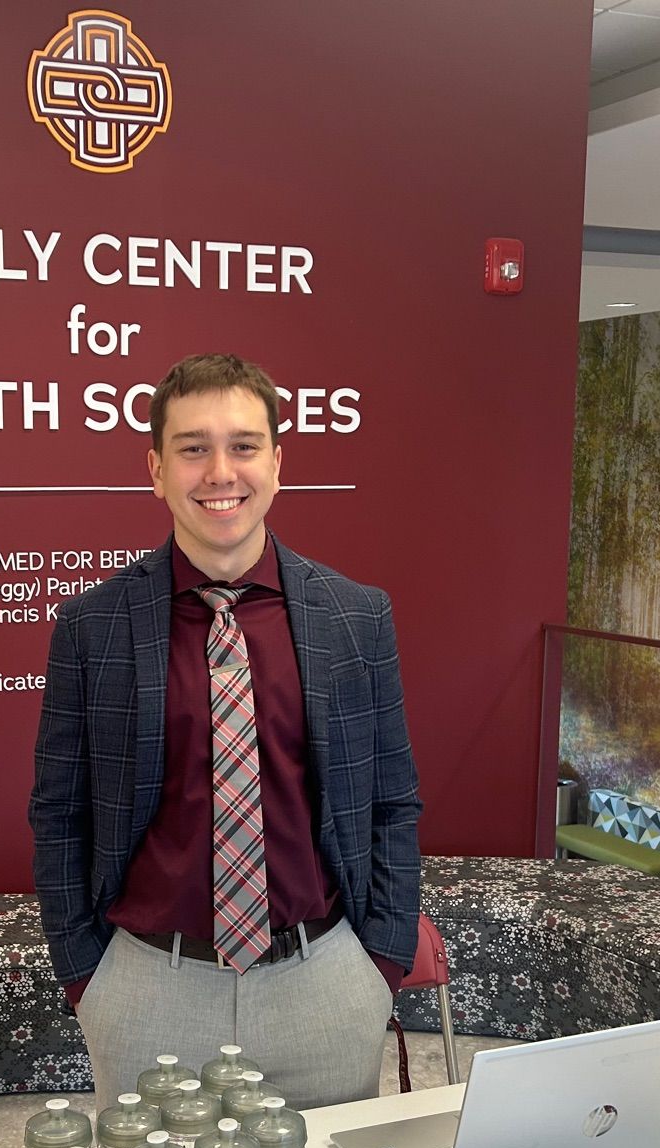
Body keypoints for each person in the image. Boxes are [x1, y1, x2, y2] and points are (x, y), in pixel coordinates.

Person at [30, 353, 422, 1108]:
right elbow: (59, 813)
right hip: (150, 993)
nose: (221, 471)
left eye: (243, 446)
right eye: (193, 448)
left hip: (323, 986)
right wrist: (87, 975)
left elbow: (393, 802)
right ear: (155, 469)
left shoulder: (356, 616)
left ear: (277, 463)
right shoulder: (93, 626)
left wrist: (382, 962)